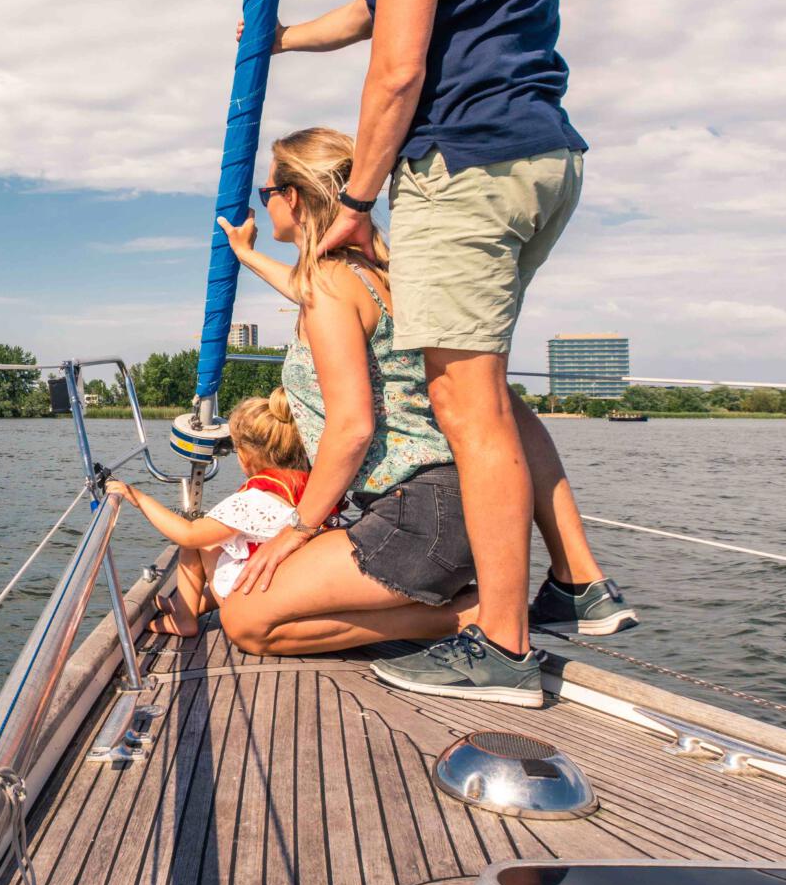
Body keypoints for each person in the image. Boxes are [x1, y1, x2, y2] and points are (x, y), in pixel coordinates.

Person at [244, 0, 597, 703]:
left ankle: (502, 645)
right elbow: (372, 13)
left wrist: (358, 199)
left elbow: (396, 66)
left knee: (464, 406)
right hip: (540, 154)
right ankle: (574, 583)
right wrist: (279, 41)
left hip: (467, 160)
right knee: (481, 390)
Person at [219, 129, 634, 664]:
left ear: (293, 197)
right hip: (460, 513)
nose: (265, 202)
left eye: (266, 192)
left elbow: (352, 427)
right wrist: (246, 256)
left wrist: (297, 529)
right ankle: (485, 605)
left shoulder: (327, 285)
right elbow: (313, 296)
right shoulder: (380, 275)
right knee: (261, 605)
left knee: (246, 620)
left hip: (419, 520)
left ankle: (475, 615)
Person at [103, 390, 310, 638]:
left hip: (252, 602)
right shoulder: (311, 488)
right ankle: (192, 604)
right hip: (286, 592)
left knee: (198, 538)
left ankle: (184, 618)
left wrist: (135, 496)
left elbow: (188, 535)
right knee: (226, 545)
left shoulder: (256, 500)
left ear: (244, 455)